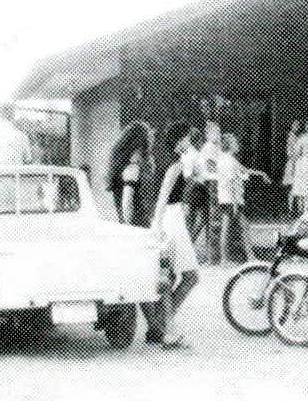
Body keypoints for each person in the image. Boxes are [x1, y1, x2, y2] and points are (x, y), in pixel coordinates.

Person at [142, 122, 203, 350]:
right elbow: (163, 196)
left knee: (172, 276)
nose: (189, 142)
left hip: (168, 218)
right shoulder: (174, 164)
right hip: (171, 219)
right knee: (190, 276)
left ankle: (160, 326)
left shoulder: (165, 160)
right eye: (187, 138)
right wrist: (158, 226)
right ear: (180, 139)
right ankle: (164, 328)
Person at [215, 134, 270, 262]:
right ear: (229, 145)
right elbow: (231, 182)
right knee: (231, 228)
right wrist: (235, 203)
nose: (237, 145)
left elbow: (245, 170)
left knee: (240, 227)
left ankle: (248, 257)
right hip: (231, 199)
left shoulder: (229, 159)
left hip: (229, 198)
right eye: (234, 143)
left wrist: (261, 174)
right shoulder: (228, 161)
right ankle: (228, 259)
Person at [106, 121, 155, 226]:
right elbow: (127, 204)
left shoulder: (119, 170)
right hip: (137, 225)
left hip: (128, 224)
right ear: (135, 148)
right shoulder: (132, 170)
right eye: (144, 149)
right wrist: (129, 229)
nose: (146, 155)